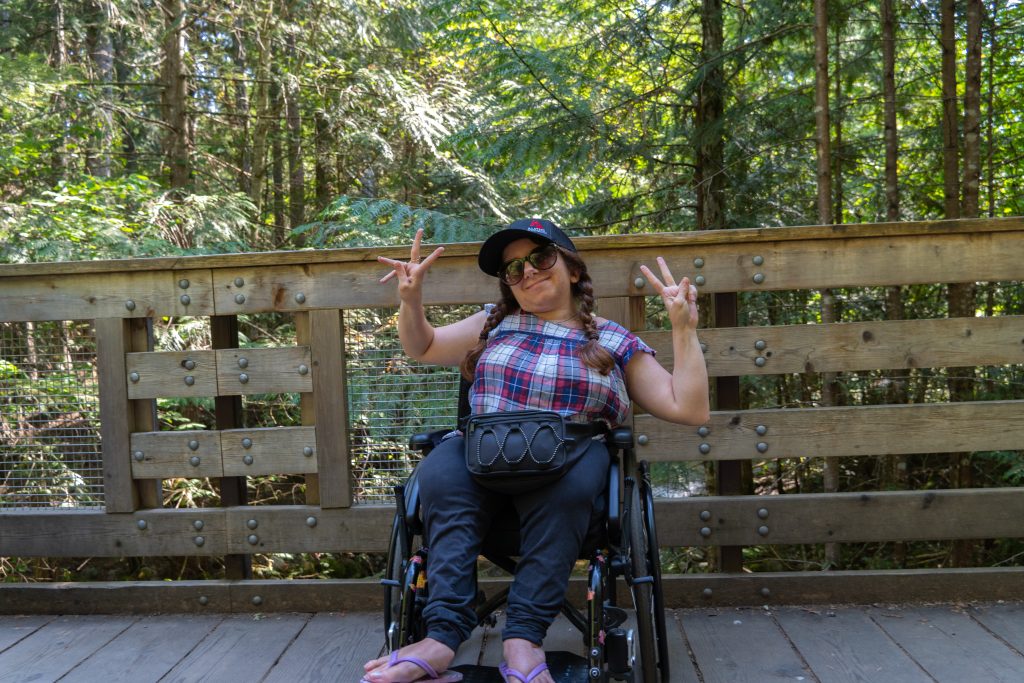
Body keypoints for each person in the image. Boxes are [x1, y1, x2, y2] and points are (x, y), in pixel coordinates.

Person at [362, 218, 709, 683]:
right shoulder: (494, 322)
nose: (527, 272)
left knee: (574, 480)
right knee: (440, 471)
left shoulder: (612, 339)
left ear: (570, 269)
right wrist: (410, 298)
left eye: (540, 259)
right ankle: (440, 638)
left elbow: (688, 408)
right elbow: (422, 345)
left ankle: (523, 640)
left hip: (568, 465)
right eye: (513, 269)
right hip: (482, 458)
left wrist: (684, 330)